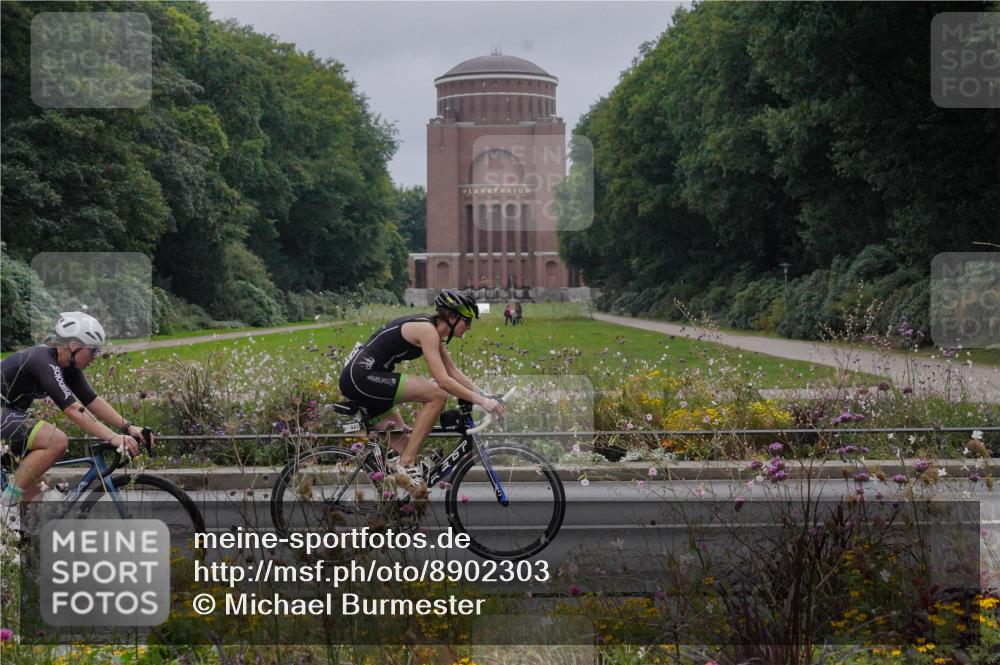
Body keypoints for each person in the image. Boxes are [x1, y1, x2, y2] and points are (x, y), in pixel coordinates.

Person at [1, 312, 150, 536]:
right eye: (94, 350)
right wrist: (112, 437)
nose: (97, 356)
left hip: (9, 413)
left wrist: (128, 427)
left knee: (37, 494)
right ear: (73, 346)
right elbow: (73, 410)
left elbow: (92, 401)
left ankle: (24, 554)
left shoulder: (68, 366)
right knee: (57, 440)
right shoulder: (44, 360)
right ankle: (6, 507)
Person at [338, 290, 504, 487]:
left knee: (406, 447)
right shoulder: (427, 331)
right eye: (466, 320)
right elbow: (443, 381)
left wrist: (486, 395)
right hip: (360, 377)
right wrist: (484, 402)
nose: (469, 326)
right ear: (452, 317)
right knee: (437, 395)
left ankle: (397, 507)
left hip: (368, 380)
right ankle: (406, 463)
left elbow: (452, 371)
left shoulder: (433, 332)